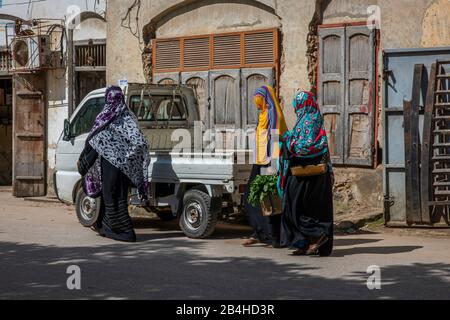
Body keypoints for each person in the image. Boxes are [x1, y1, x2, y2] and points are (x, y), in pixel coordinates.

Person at [77, 86, 150, 243]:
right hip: (124, 170)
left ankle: (124, 231)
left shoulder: (105, 117)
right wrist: (129, 159)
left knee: (111, 196)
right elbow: (140, 143)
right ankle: (105, 226)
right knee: (118, 197)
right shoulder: (129, 118)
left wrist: (84, 163)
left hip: (109, 168)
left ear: (107, 99)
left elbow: (94, 141)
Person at [278, 91, 334, 256]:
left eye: (297, 105)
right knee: (314, 209)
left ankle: (318, 235)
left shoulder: (308, 122)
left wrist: (287, 139)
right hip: (318, 175)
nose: (296, 109)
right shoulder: (314, 119)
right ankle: (306, 243)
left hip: (305, 175)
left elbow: (303, 147)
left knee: (293, 207)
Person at [242, 85, 287, 248]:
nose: (259, 106)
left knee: (270, 199)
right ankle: (259, 232)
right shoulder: (263, 115)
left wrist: (272, 166)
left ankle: (273, 236)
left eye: (260, 103)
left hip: (270, 162)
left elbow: (276, 140)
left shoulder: (275, 117)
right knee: (251, 197)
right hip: (259, 161)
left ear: (266, 100)